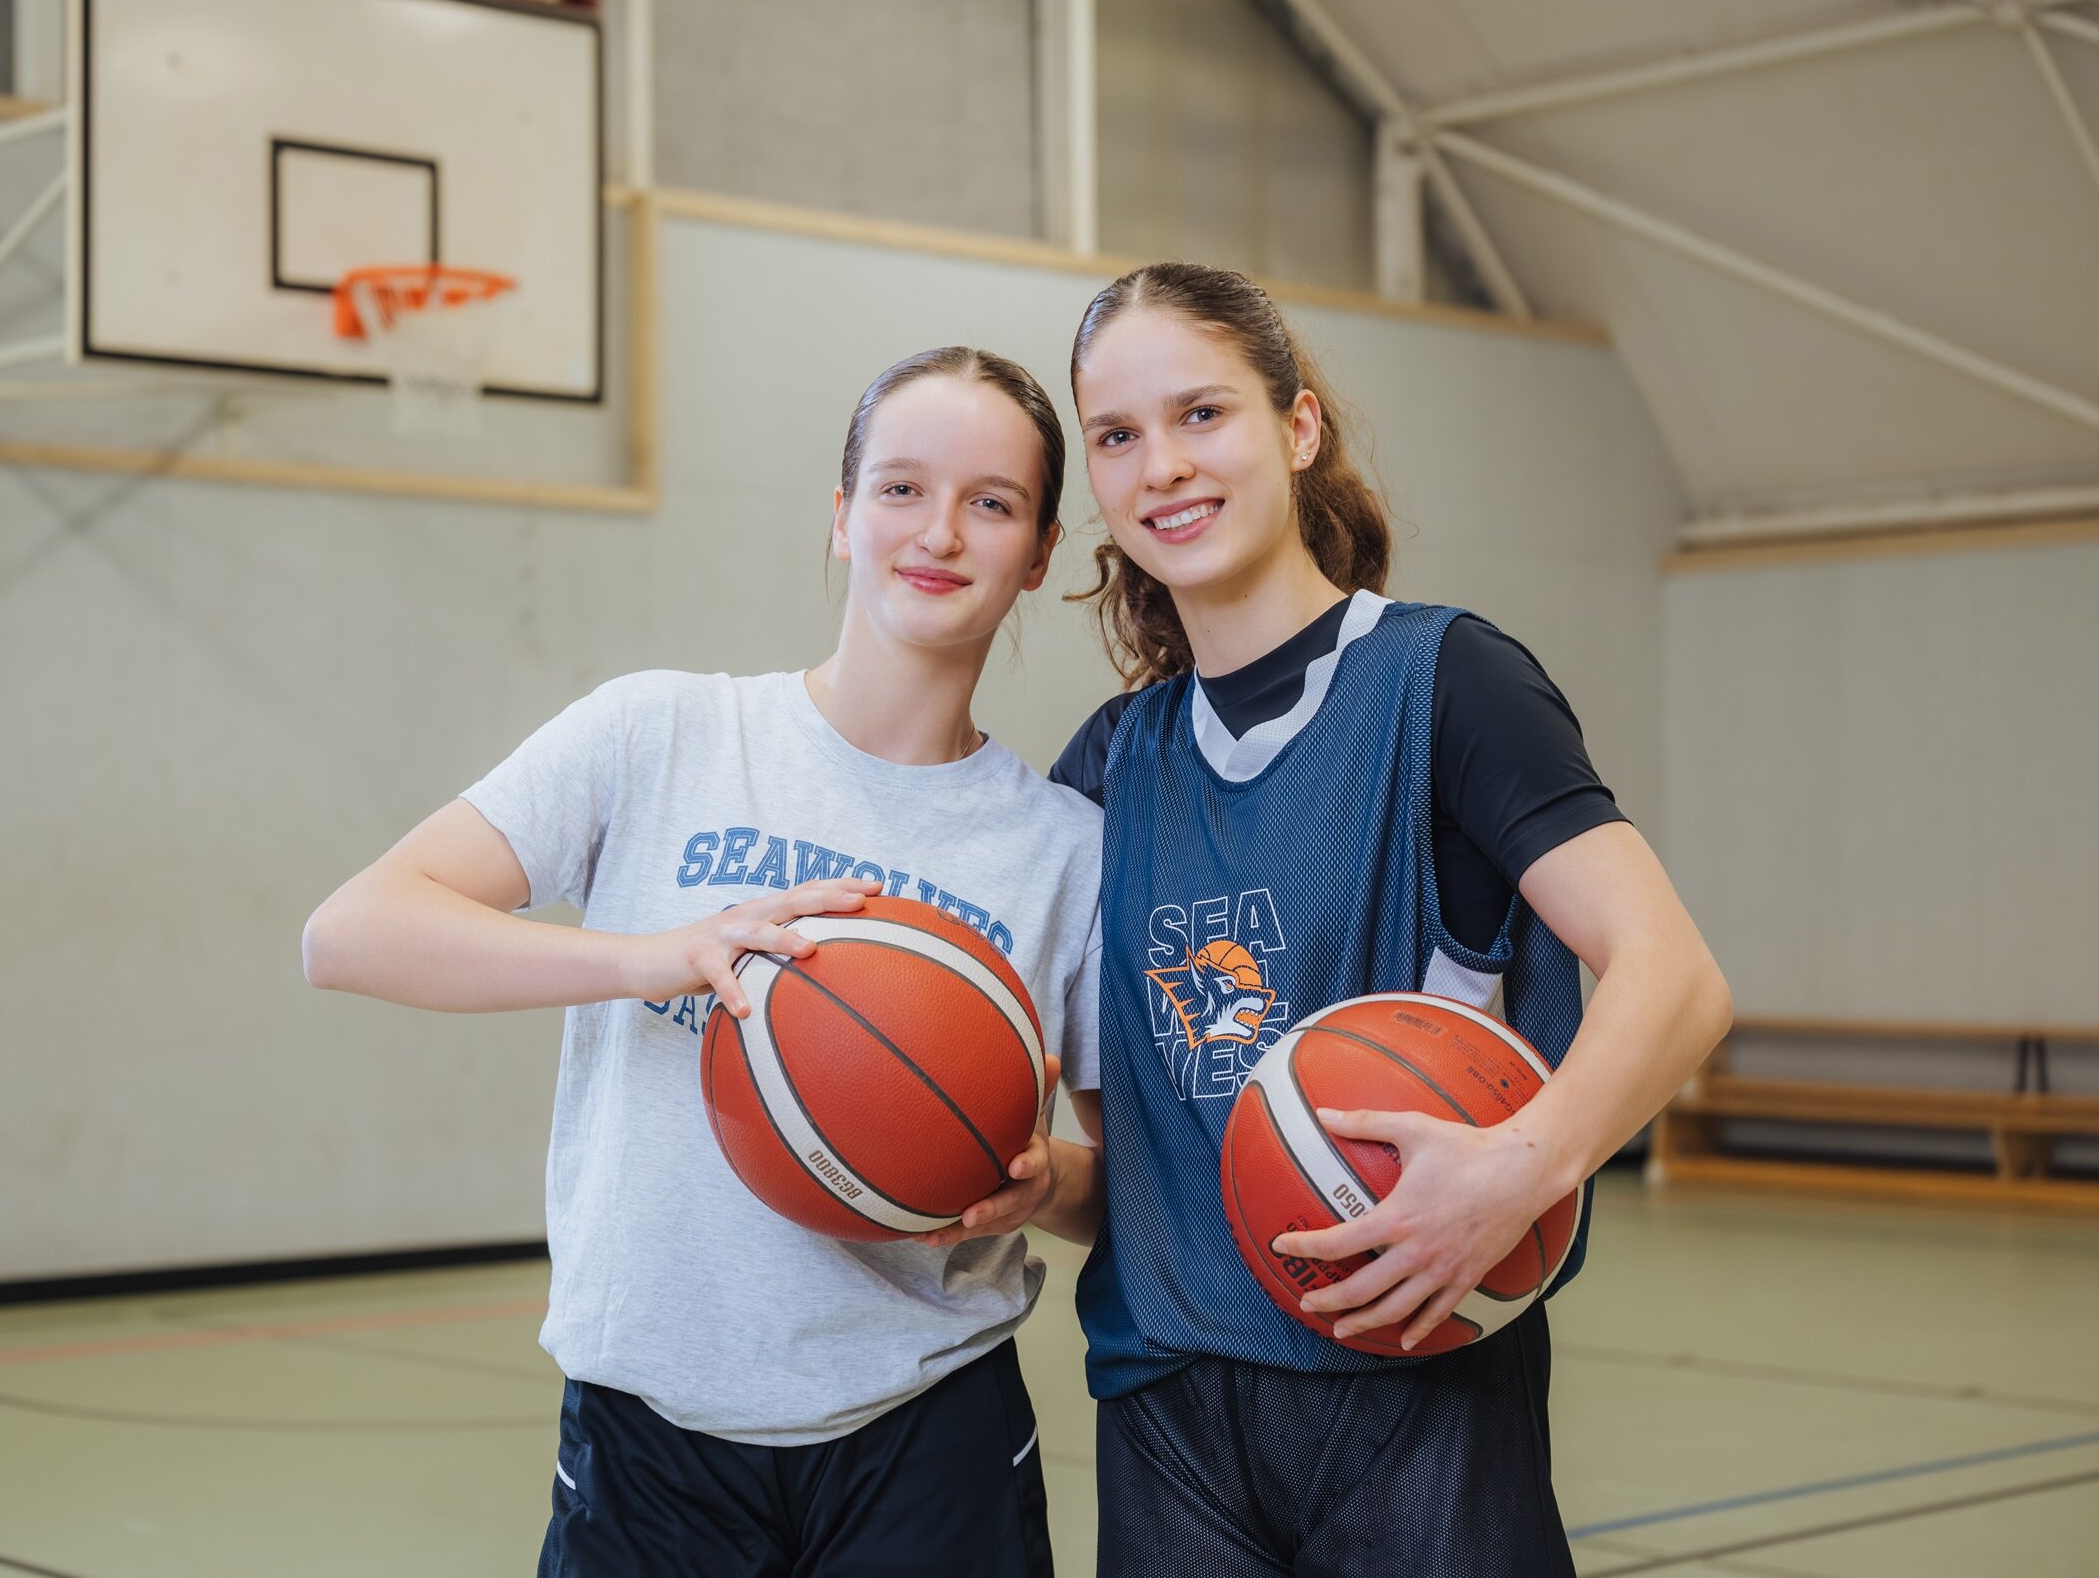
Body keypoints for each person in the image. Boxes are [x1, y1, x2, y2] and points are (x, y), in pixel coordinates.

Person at [302, 345, 1107, 1578]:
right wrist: (655, 956)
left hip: (927, 1429)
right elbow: (353, 931)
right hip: (650, 1430)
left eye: (989, 502)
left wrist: (1044, 1177)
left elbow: (1123, 1193)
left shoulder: (1065, 850)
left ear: (1038, 552)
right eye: (899, 488)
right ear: (842, 517)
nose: (937, 530)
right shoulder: (660, 734)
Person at [1047, 263, 1732, 1577]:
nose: (1163, 466)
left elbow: (1675, 973)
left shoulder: (1446, 678)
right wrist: (1018, 1181)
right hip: (1167, 1406)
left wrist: (1523, 1161)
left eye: (1203, 413)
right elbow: (1146, 1163)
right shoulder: (1107, 765)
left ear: (1297, 428)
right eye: (1118, 435)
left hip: (1421, 1386)